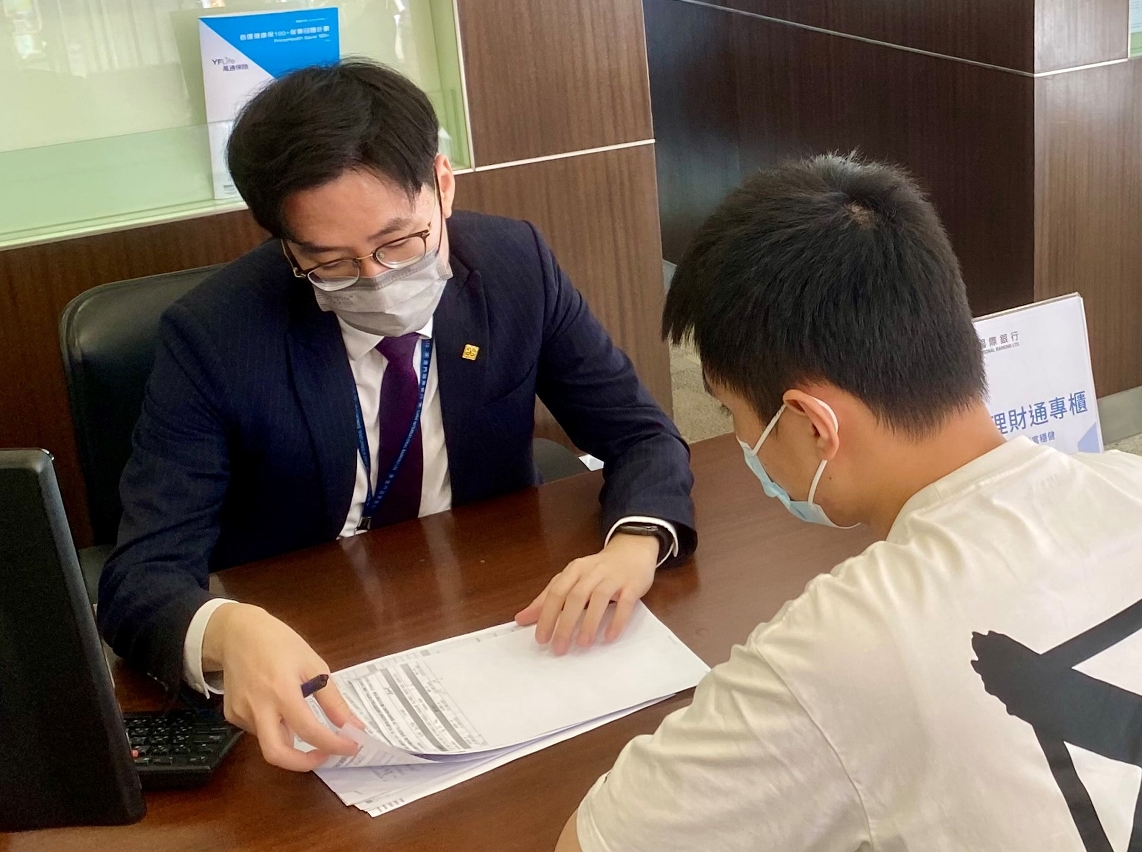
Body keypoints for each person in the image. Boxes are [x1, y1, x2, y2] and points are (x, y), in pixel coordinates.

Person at [97, 60, 696, 773]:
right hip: (318, 649)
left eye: (400, 242)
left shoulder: (515, 265)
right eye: (331, 263)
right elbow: (139, 578)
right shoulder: (215, 336)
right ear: (287, 245)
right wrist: (227, 630)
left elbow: (639, 433)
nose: (376, 279)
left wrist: (634, 545)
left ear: (443, 183)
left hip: (498, 619)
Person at [555, 155, 1142, 851]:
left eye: (733, 414)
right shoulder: (1127, 483)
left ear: (812, 425)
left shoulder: (840, 648)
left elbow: (594, 842)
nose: (741, 443)